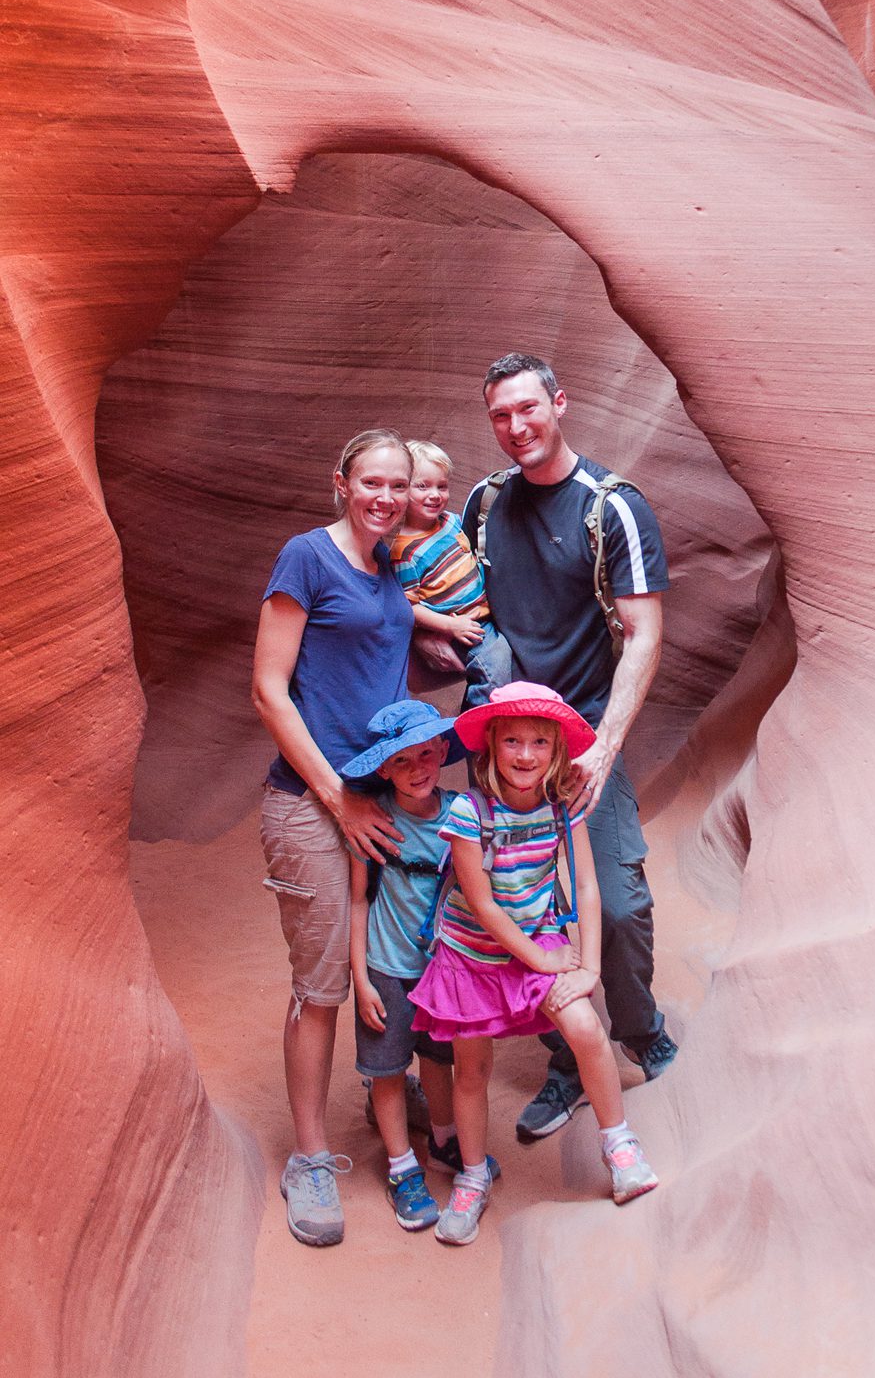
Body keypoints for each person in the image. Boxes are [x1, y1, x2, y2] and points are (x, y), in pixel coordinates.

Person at [459, 353, 677, 1143]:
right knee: (524, 905)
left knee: (615, 903)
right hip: (504, 739)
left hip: (583, 733)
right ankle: (567, 1059)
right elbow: (453, 600)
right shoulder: (484, 504)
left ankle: (640, 1026)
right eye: (500, 415)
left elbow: (645, 631)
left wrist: (604, 747)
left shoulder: (611, 507)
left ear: (560, 402)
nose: (516, 428)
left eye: (528, 408)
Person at [409, 683, 659, 1245]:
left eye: (540, 743)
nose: (526, 755)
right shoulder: (469, 814)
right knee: (471, 1070)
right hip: (473, 956)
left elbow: (588, 887)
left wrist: (587, 968)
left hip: (535, 942)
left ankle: (618, 1144)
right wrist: (544, 959)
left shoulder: (559, 808)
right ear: (492, 746)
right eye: (513, 741)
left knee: (586, 1028)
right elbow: (484, 905)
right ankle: (472, 1177)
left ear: (557, 751)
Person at [252, 428, 415, 1247]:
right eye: (370, 482)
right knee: (322, 984)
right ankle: (311, 1157)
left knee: (388, 960)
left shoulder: (389, 566)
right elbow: (269, 690)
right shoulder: (306, 557)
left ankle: (389, 1095)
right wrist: (339, 797)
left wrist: (446, 628)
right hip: (314, 804)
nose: (383, 496)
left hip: (383, 800)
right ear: (341, 482)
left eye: (397, 484)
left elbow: (383, 637)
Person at [343, 697, 499, 1231]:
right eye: (403, 761)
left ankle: (443, 1138)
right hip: (388, 967)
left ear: (442, 753)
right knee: (387, 1071)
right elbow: (359, 899)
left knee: (438, 1060)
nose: (418, 770)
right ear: (384, 768)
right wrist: (361, 978)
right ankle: (401, 1167)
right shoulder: (375, 821)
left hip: (444, 971)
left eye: (427, 754)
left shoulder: (461, 813)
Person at [392, 439, 512, 709]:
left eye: (441, 486)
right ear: (402, 490)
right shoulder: (405, 551)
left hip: (485, 615)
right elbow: (408, 607)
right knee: (495, 667)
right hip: (461, 628)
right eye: (422, 486)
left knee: (505, 665)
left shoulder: (451, 522)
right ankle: (480, 725)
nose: (434, 494)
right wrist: (449, 627)